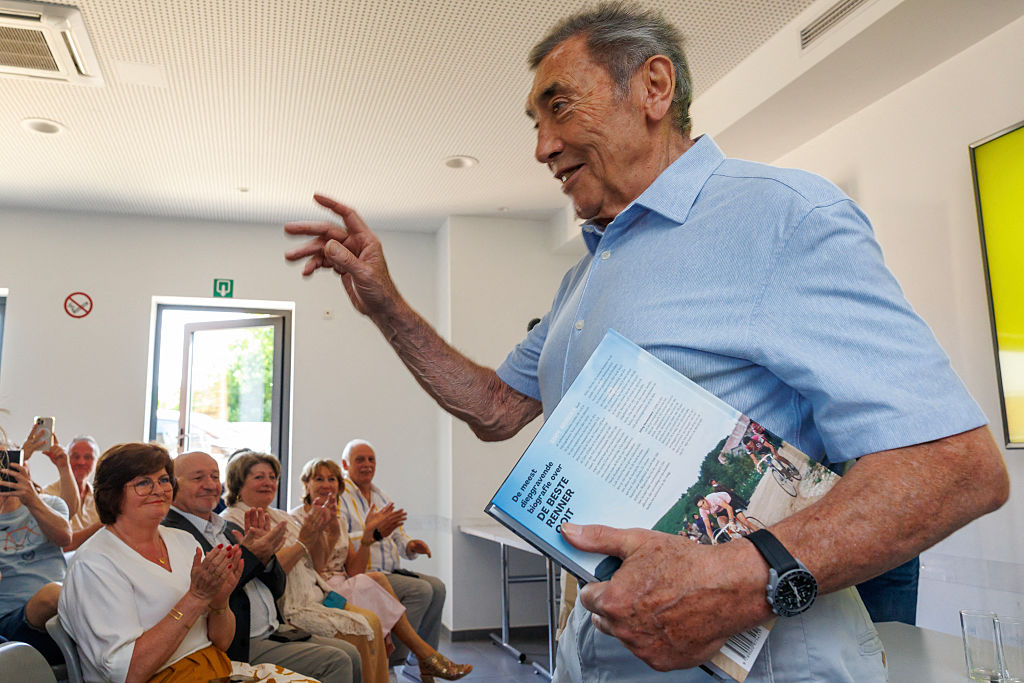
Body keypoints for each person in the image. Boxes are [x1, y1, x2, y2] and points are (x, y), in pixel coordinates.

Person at [283, 3, 1009, 681]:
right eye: (533, 123)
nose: (541, 147)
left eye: (558, 106)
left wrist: (739, 578)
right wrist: (385, 304)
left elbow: (957, 468)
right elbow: (496, 407)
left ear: (654, 86)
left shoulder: (782, 216)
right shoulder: (585, 277)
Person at [58, 442, 315, 682]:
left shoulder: (184, 541)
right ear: (112, 493)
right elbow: (126, 673)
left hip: (216, 668)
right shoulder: (95, 563)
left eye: (163, 480)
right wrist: (195, 598)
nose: (158, 490)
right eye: (144, 483)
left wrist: (220, 600)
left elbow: (222, 642)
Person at [222, 451, 471, 683]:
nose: (268, 482)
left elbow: (321, 563)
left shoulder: (286, 516)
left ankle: (414, 660)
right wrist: (312, 536)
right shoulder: (250, 519)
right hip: (301, 599)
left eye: (272, 477)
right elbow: (277, 571)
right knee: (374, 609)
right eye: (259, 477)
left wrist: (337, 535)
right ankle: (419, 657)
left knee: (417, 594)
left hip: (325, 588)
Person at [164, 451, 362, 683]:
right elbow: (213, 590)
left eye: (215, 477)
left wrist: (267, 559)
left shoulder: (225, 527)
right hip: (240, 642)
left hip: (274, 629)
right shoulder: (174, 532)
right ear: (173, 485)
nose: (210, 485)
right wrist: (252, 556)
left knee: (351, 653)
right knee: (338, 660)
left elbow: (277, 586)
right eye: (198, 478)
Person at [338, 440, 446, 670]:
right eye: (360, 460)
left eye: (371, 459)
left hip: (390, 570)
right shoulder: (340, 496)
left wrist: (410, 546)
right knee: (422, 590)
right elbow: (340, 540)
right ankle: (390, 663)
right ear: (345, 464)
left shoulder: (380, 495)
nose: (367, 465)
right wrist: (372, 533)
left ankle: (422, 666)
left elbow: (397, 534)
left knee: (438, 586)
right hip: (362, 574)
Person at [291, 459, 406, 640]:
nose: (326, 485)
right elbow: (312, 571)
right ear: (306, 485)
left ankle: (417, 654)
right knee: (374, 581)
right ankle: (423, 654)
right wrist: (330, 536)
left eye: (332, 479)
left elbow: (354, 570)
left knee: (375, 582)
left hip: (342, 584)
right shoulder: (296, 519)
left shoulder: (340, 520)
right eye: (318, 479)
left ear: (339, 486)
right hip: (319, 593)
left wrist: (368, 536)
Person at [0, 436, 71, 663]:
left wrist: (31, 498)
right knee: (52, 595)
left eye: (7, 462)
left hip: (64, 616)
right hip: (12, 623)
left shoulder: (50, 505)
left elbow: (64, 536)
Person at [42, 435, 103, 551]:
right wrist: (101, 525)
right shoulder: (48, 495)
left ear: (96, 462)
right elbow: (60, 545)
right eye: (75, 457)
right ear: (67, 459)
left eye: (88, 457)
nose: (81, 462)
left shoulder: (101, 498)